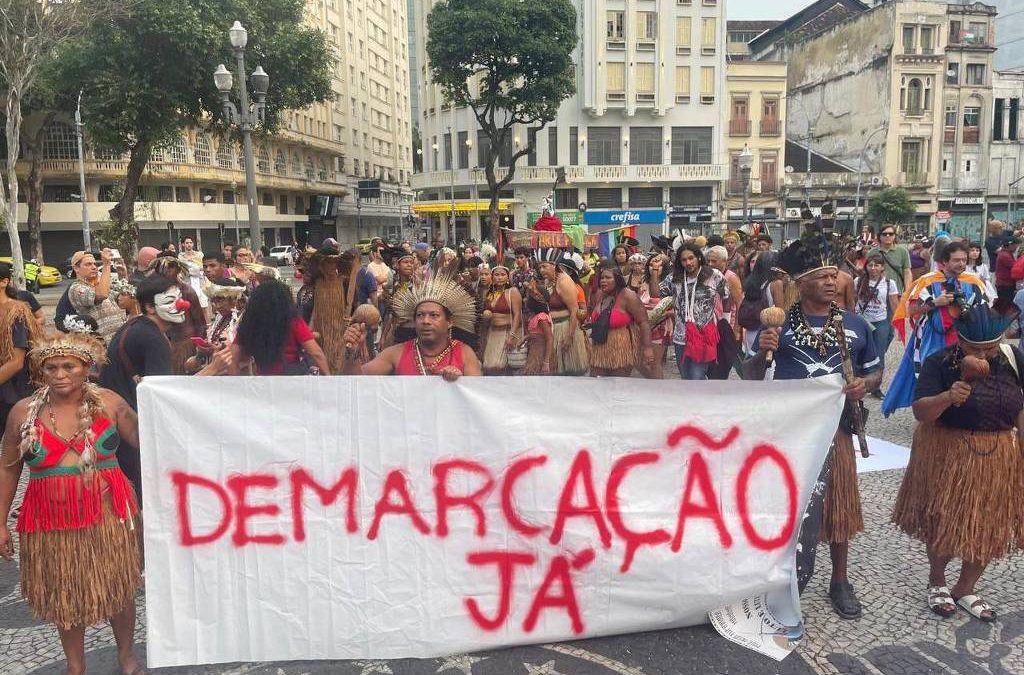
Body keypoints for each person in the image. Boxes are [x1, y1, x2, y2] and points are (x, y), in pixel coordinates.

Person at [744, 234, 880, 619]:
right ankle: (775, 573)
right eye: (821, 276)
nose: (831, 281)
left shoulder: (854, 326)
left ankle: (840, 580)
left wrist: (862, 386)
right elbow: (752, 377)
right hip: (787, 437)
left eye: (834, 275)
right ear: (799, 284)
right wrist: (763, 350)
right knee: (783, 509)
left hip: (834, 433)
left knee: (839, 509)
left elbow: (875, 372)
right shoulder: (779, 324)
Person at [0, 332, 144, 675]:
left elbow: (150, 440)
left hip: (109, 517)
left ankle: (127, 657)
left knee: (119, 588)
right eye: (51, 367)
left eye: (69, 366)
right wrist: (0, 522)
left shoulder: (110, 403)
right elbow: (8, 467)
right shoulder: (24, 412)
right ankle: (75, 666)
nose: (60, 374)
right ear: (41, 371)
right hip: (51, 520)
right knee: (65, 592)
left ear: (86, 369)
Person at [892, 303, 1024, 622]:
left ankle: (965, 588)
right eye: (975, 348)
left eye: (990, 347)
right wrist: (948, 397)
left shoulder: (1014, 359)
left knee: (988, 525)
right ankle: (937, 580)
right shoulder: (940, 362)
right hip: (950, 450)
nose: (983, 354)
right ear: (960, 342)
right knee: (946, 520)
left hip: (998, 453)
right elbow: (921, 412)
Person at [885, 242, 989, 415]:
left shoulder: (973, 282)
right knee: (932, 373)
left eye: (964, 260)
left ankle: (959, 411)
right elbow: (911, 310)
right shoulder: (927, 282)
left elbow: (985, 309)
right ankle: (930, 412)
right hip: (931, 338)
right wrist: (935, 303)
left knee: (964, 372)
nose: (962, 264)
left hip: (964, 337)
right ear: (944, 261)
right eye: (956, 260)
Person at [340, 271, 481, 379]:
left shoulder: (464, 353)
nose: (425, 321)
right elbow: (356, 382)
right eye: (420, 315)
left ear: (449, 322)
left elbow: (478, 396)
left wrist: (461, 383)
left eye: (434, 315)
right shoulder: (396, 353)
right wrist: (352, 353)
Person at [231, 280, 330, 376]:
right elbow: (316, 353)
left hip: (264, 381)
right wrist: (329, 379)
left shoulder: (249, 324)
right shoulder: (293, 321)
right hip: (290, 380)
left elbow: (233, 358)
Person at [662, 243, 728, 380]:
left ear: (698, 257)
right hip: (681, 338)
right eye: (684, 260)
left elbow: (726, 297)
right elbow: (657, 292)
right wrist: (655, 272)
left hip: (704, 336)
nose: (688, 262)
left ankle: (699, 400)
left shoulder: (714, 275)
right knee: (686, 378)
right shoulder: (674, 277)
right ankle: (694, 400)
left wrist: (722, 322)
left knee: (696, 378)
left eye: (691, 258)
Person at [588, 267, 653, 377]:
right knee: (596, 382)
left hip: (622, 347)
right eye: (602, 278)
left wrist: (647, 348)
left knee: (618, 385)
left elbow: (643, 322)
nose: (603, 280)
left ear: (617, 280)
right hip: (600, 347)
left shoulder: (628, 296)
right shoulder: (599, 295)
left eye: (608, 278)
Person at [0, 263, 41, 433]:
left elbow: (16, 362)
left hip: (12, 395)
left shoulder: (16, 313)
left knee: (12, 449)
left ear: (4, 282)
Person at [537, 248, 589, 376]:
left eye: (544, 266)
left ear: (554, 265)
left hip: (565, 329)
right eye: (540, 267)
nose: (541, 270)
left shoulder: (564, 281)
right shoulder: (548, 280)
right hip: (552, 330)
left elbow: (574, 310)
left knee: (568, 374)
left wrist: (569, 337)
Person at [854, 254, 899, 397]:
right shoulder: (858, 281)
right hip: (862, 322)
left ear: (882, 267)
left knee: (879, 354)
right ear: (866, 266)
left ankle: (875, 386)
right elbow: (852, 299)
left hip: (880, 321)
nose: (873, 268)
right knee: (859, 351)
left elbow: (894, 304)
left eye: (877, 265)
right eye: (870, 265)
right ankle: (859, 383)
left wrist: (898, 322)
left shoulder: (889, 283)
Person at [310, 245, 357, 374]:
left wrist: (351, 321)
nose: (332, 266)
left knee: (339, 366)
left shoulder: (345, 282)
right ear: (322, 265)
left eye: (334, 262)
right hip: (321, 333)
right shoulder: (316, 283)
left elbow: (355, 307)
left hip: (341, 332)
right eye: (328, 262)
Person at [183, 279, 245, 373]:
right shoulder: (219, 319)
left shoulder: (242, 322)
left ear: (234, 299)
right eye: (214, 302)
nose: (217, 306)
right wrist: (202, 353)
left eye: (220, 301)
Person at [67, 249, 125, 343]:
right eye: (88, 264)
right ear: (76, 268)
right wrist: (106, 264)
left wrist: (123, 276)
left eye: (95, 264)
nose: (94, 267)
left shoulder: (99, 284)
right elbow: (102, 294)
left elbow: (122, 298)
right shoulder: (76, 288)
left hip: (119, 342)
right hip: (101, 346)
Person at [479, 265, 522, 375]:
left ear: (508, 278)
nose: (499, 277)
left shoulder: (513, 292)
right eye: (496, 275)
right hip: (492, 334)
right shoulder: (490, 294)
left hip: (506, 333)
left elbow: (517, 315)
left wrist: (512, 336)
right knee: (489, 367)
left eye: (503, 275)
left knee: (503, 367)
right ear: (492, 278)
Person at [636, 253, 672, 380]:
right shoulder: (643, 282)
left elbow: (655, 297)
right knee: (638, 361)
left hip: (660, 325)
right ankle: (653, 382)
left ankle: (658, 389)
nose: (653, 267)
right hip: (643, 324)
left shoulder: (668, 282)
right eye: (651, 264)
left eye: (658, 265)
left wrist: (655, 273)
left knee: (654, 363)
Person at [520, 280, 554, 376]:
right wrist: (527, 337)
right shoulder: (535, 317)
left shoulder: (542, 317)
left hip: (541, 354)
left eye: (530, 296)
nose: (527, 299)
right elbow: (538, 334)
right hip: (534, 352)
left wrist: (546, 363)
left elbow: (549, 338)